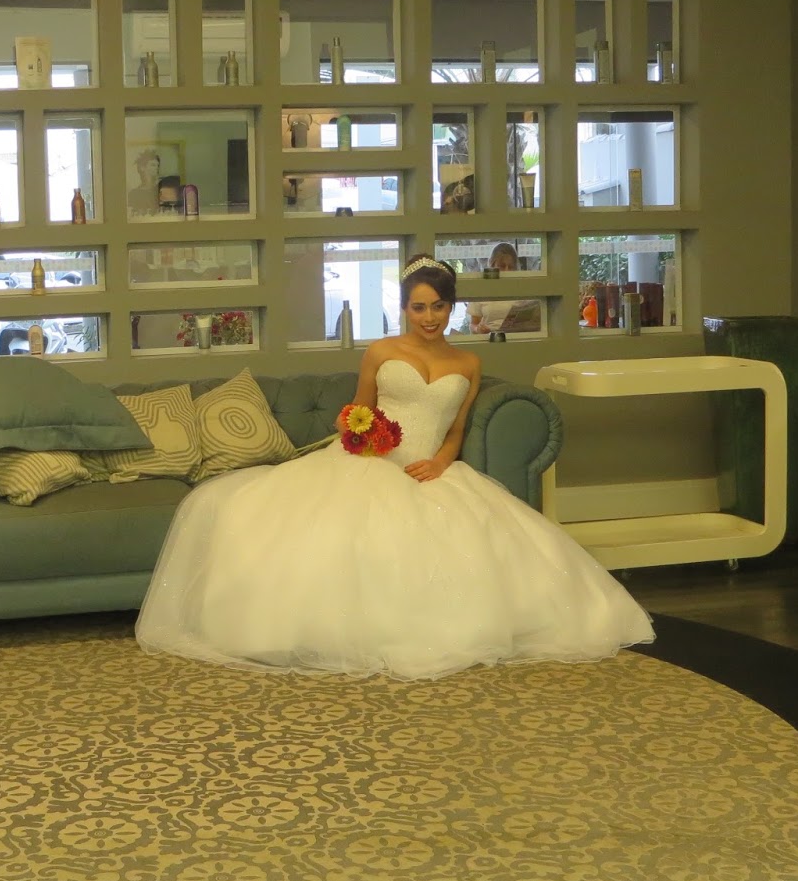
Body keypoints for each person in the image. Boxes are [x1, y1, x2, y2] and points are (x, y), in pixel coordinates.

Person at [135, 255, 653, 680]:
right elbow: (356, 413)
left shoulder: (468, 364)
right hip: (369, 461)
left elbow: (456, 429)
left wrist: (441, 462)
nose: (429, 318)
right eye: (418, 307)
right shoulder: (381, 351)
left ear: (451, 307)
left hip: (431, 468)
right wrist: (361, 434)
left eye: (439, 307)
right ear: (404, 308)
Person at [466, 242, 541, 335]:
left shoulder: (523, 288)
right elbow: (473, 324)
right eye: (501, 266)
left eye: (511, 267)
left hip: (519, 338)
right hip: (490, 338)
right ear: (492, 265)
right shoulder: (481, 289)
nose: (506, 271)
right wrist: (478, 329)